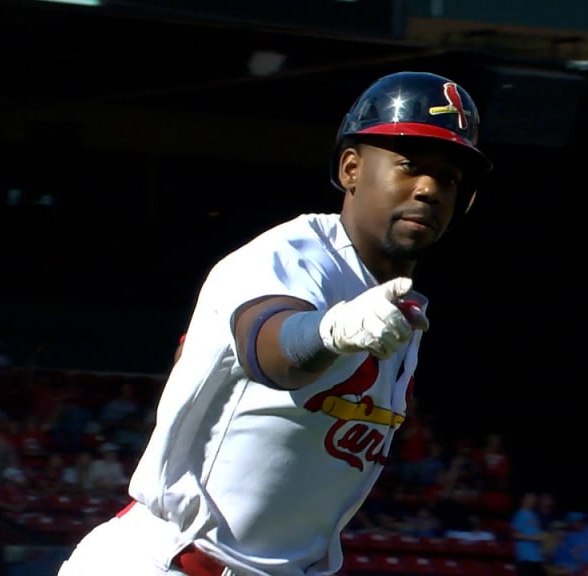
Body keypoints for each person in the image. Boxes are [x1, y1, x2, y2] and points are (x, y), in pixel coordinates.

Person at [58, 70, 493, 576]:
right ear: (351, 168)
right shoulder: (292, 254)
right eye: (410, 165)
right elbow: (274, 350)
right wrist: (331, 332)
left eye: (449, 177)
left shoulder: (397, 304)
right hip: (173, 563)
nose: (428, 189)